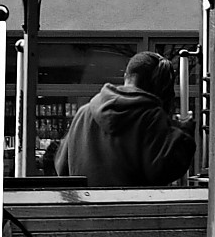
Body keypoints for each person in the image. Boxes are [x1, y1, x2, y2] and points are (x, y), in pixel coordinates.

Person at [54, 51, 197, 188]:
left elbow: (62, 168)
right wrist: (184, 133)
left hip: (86, 210)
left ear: (125, 76)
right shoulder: (150, 116)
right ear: (158, 84)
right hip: (136, 210)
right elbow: (162, 171)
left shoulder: (83, 113)